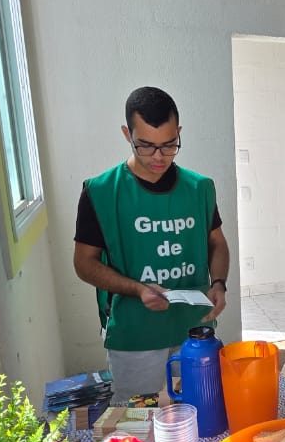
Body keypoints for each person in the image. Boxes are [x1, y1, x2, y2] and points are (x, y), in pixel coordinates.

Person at [74, 86, 229, 404]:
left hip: (195, 333)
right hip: (135, 339)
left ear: (179, 133)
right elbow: (84, 263)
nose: (159, 157)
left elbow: (217, 242)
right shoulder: (101, 192)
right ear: (126, 134)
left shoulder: (199, 188)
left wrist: (219, 283)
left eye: (169, 145)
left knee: (203, 411)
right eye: (145, 146)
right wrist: (137, 289)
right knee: (137, 423)